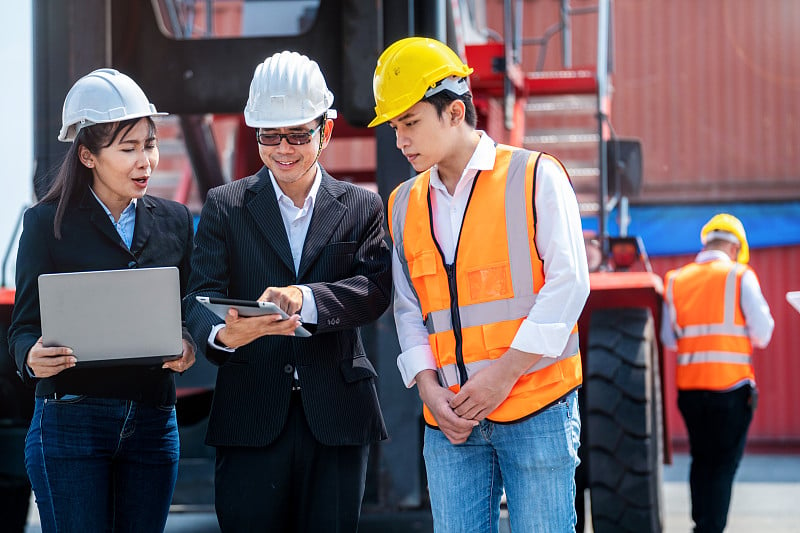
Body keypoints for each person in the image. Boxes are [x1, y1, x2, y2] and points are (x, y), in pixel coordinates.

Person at [368, 37, 590, 533]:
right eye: (395, 127)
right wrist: (428, 389)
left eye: (410, 123)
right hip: (451, 423)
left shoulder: (535, 176)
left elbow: (569, 286)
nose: (400, 140)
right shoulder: (403, 202)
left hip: (536, 408)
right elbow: (409, 309)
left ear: (454, 112)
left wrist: (502, 376)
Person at [183, 51, 392, 532]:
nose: (284, 148)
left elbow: (375, 288)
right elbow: (199, 296)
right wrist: (221, 336)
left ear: (327, 130)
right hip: (250, 415)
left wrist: (307, 298)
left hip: (337, 418)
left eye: (298, 134)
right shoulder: (226, 205)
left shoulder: (362, 206)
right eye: (270, 136)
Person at [7, 68, 196, 532]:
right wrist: (31, 357)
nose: (145, 161)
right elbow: (22, 328)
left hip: (153, 419)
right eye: (128, 149)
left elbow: (191, 309)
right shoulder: (46, 224)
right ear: (88, 155)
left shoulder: (175, 221)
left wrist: (188, 346)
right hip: (70, 420)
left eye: (149, 144)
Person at [662, 213, 774, 533]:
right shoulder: (740, 275)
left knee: (701, 460)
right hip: (732, 389)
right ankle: (711, 529)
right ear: (736, 246)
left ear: (707, 242)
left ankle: (701, 526)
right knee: (723, 466)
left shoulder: (676, 279)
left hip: (691, 390)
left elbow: (669, 339)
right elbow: (763, 333)